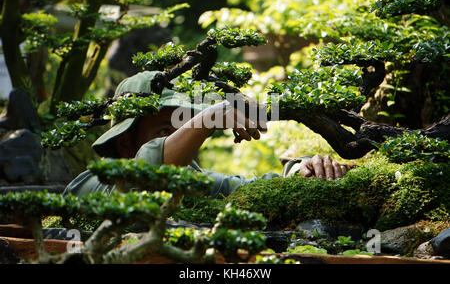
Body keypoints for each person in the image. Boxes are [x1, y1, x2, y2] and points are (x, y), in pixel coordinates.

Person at [63, 71, 349, 199]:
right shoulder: (93, 184)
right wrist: (209, 118)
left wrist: (300, 170)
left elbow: (249, 190)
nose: (184, 137)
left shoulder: (196, 184)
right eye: (165, 130)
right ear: (125, 142)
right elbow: (145, 175)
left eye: (186, 126)